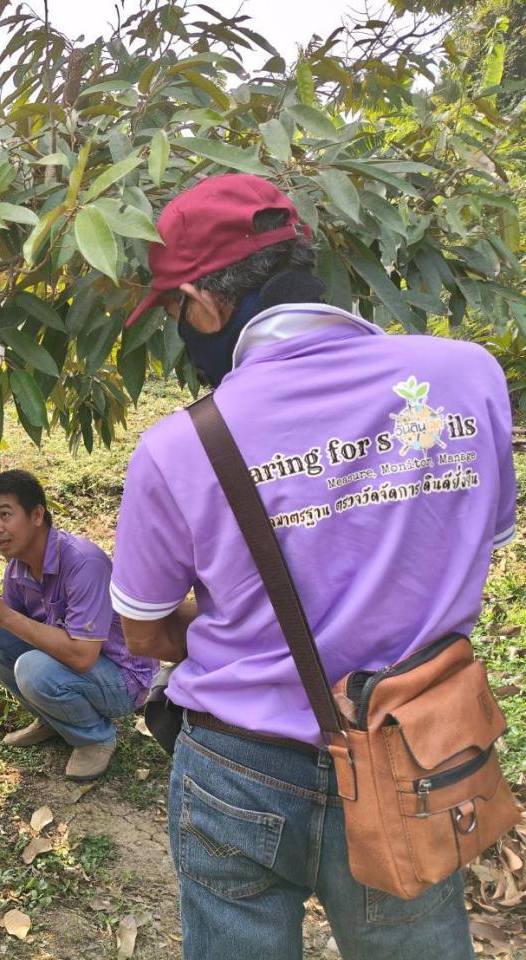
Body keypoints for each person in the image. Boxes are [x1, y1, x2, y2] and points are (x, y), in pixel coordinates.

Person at [110, 173, 517, 960]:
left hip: (240, 770)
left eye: (174, 311)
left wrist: (225, 619)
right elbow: (474, 545)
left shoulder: (178, 446)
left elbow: (145, 631)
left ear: (200, 299)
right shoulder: (470, 379)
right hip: (413, 750)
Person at [0, 469, 157, 780]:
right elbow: (5, 630)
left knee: (33, 668)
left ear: (37, 515)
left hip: (124, 678)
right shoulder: (17, 571)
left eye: (5, 515)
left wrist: (6, 616)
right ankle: (53, 718)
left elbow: (82, 656)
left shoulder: (83, 564)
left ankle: (95, 739)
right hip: (76, 668)